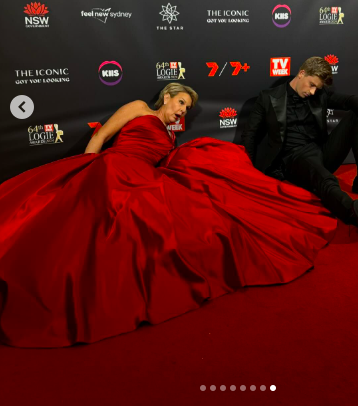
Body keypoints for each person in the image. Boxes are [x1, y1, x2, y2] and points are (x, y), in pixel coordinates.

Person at [0, 83, 336, 348]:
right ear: (167, 97)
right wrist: (85, 166)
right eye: (181, 104)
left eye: (187, 109)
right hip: (112, 168)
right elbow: (101, 136)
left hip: (144, 178)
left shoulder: (171, 136)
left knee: (162, 220)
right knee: (90, 220)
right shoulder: (138, 109)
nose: (182, 113)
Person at [242, 56, 358, 239]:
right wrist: (248, 171)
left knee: (356, 116)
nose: (312, 92)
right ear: (302, 73)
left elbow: (351, 100)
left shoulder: (319, 95)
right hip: (294, 157)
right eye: (311, 85)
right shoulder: (268, 97)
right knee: (325, 180)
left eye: (317, 88)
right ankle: (353, 214)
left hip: (320, 151)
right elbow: (250, 134)